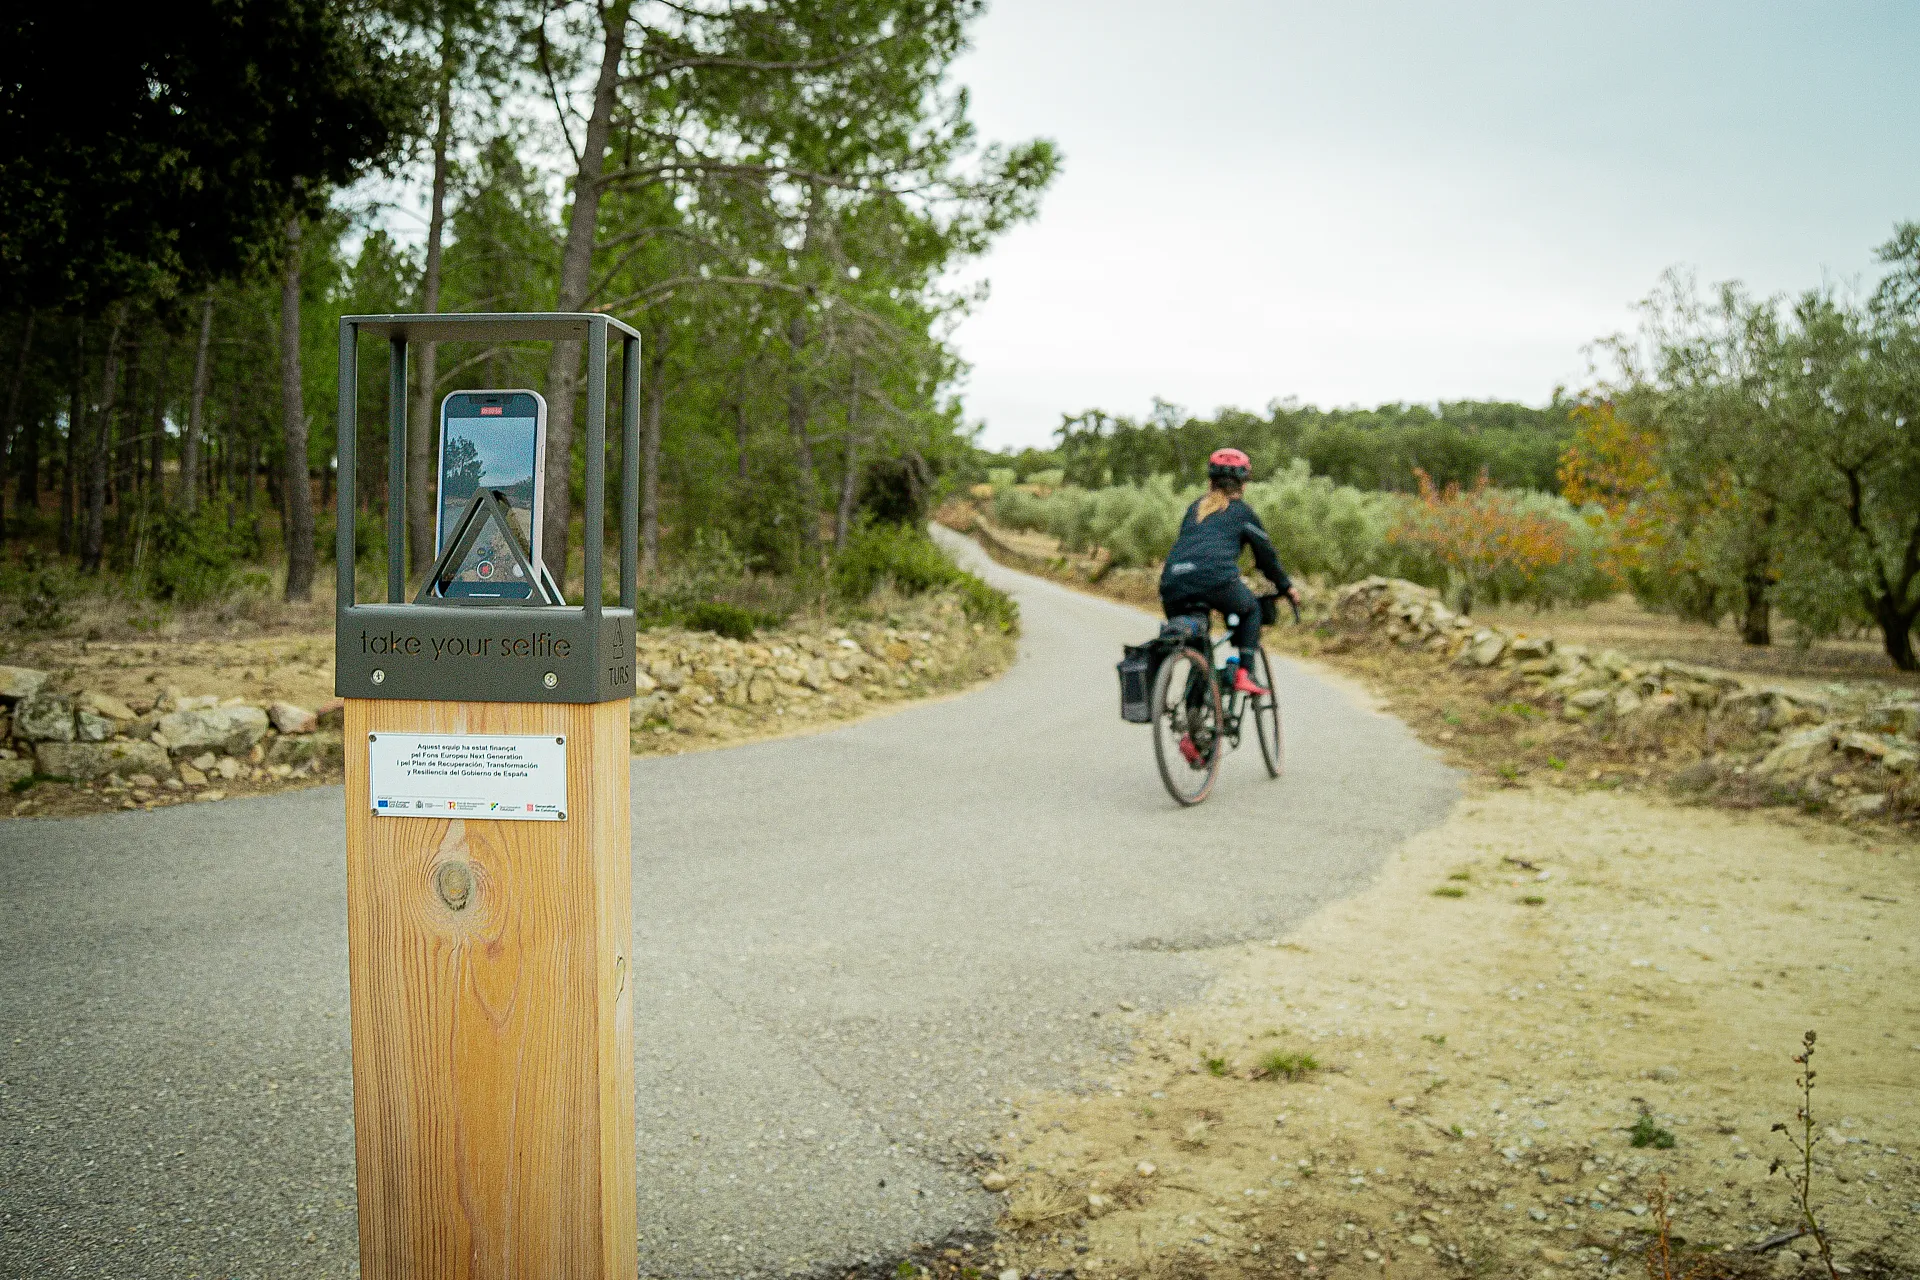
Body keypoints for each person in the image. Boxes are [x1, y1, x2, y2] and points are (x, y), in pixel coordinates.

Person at [1158, 447, 1301, 698]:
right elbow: (1266, 557)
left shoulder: (1194, 509)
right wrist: (1285, 586)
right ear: (1243, 484)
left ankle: (1194, 731)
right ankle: (1244, 673)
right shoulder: (1243, 513)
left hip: (1173, 582)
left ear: (1210, 482)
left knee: (1200, 651)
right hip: (1216, 580)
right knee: (1251, 609)